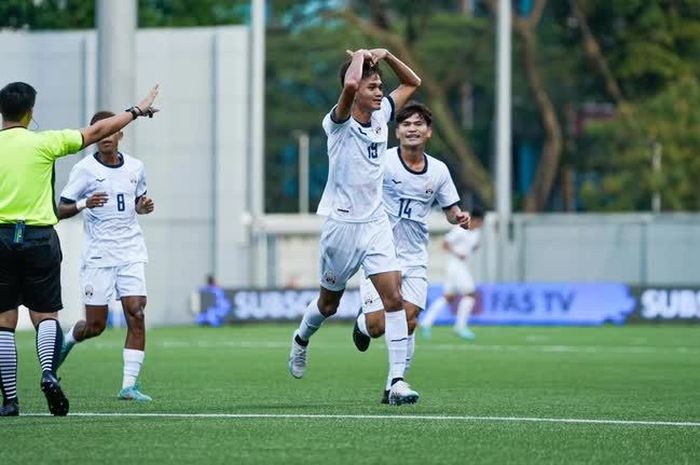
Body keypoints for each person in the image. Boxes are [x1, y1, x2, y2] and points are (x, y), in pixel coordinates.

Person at [0, 81, 159, 417]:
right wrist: (136, 109)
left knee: (4, 321)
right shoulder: (46, 143)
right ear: (31, 112)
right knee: (49, 316)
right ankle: (47, 371)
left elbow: (135, 196)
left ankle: (11, 400)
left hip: (3, 238)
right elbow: (96, 131)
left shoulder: (134, 167)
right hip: (43, 238)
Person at [287, 48, 422, 405]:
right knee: (328, 305)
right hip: (342, 226)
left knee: (394, 297)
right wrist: (361, 55)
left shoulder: (384, 115)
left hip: (376, 223)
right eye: (373, 86)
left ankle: (396, 382)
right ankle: (301, 339)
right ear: (356, 90)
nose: (380, 92)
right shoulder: (339, 121)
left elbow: (414, 82)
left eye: (380, 86)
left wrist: (388, 55)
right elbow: (348, 82)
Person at [350, 102, 470, 403]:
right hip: (379, 251)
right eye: (406, 124)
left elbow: (450, 209)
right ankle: (362, 324)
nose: (412, 128)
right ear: (397, 131)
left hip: (415, 256)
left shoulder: (439, 170)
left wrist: (459, 217)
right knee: (378, 325)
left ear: (428, 132)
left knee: (409, 318)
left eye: (419, 124)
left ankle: (395, 384)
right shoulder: (383, 162)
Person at [55, 110, 155, 401]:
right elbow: (59, 209)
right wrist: (86, 202)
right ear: (94, 135)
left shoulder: (136, 167)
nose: (106, 138)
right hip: (99, 255)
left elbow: (136, 200)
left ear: (120, 133)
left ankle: (128, 386)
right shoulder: (85, 170)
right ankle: (71, 337)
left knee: (136, 312)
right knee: (96, 326)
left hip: (131, 250)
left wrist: (143, 206)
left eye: (111, 132)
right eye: (100, 133)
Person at [420, 207, 485, 340]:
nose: (481, 225)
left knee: (448, 297)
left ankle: (426, 322)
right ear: (477, 220)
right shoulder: (460, 229)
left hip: (461, 266)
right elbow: (445, 244)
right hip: (455, 264)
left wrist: (474, 248)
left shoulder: (476, 232)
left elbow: (473, 245)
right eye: (480, 222)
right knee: (470, 294)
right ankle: (460, 327)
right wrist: (457, 253)